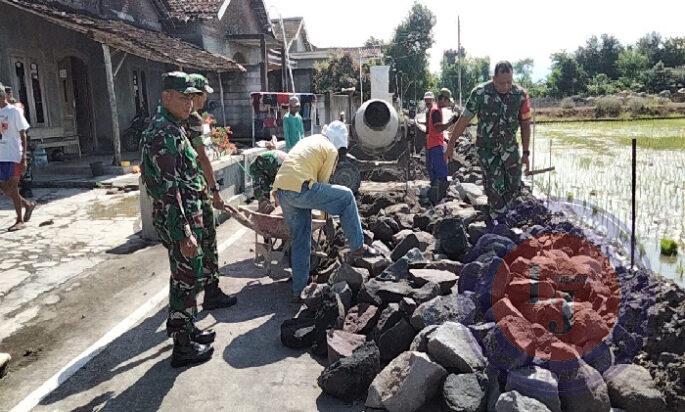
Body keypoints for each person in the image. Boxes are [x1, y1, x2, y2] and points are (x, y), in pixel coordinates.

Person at [141, 72, 216, 368]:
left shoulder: (175, 126)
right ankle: (182, 347)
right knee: (184, 280)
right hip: (178, 219)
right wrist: (184, 231)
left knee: (187, 278)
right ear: (166, 97)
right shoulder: (163, 133)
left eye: (190, 98)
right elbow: (170, 190)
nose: (189, 104)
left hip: (187, 216)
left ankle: (188, 328)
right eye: (183, 98)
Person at [272, 122, 375, 300]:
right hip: (301, 187)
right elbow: (323, 184)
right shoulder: (330, 149)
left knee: (301, 240)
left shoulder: (310, 140)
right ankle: (358, 246)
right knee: (347, 197)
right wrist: (327, 220)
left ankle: (299, 291)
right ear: (338, 141)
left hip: (282, 190)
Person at [445, 61, 532, 219]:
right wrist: (451, 143)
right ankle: (497, 222)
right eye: (501, 83)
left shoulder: (520, 95)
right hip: (488, 151)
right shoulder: (480, 93)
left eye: (509, 82)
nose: (506, 86)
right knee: (495, 186)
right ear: (493, 78)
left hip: (510, 150)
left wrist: (526, 153)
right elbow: (464, 119)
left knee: (513, 185)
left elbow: (525, 124)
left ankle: (502, 214)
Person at [186, 73, 238, 311]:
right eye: (203, 94)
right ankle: (211, 292)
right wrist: (215, 191)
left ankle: (192, 290)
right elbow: (203, 158)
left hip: (179, 192)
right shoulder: (193, 119)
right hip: (195, 190)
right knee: (207, 239)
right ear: (195, 95)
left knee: (188, 244)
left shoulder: (173, 119)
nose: (205, 98)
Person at [0, 84, 36, 231]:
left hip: (13, 155)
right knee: (6, 189)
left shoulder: (14, 111)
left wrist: (24, 157)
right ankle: (28, 205)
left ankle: (19, 220)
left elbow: (23, 135)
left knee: (13, 188)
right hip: (1, 156)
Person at [426, 88, 459, 204]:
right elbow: (438, 127)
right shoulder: (436, 111)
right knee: (442, 174)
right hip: (436, 145)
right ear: (443, 99)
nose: (447, 104)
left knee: (435, 174)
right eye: (447, 101)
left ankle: (434, 200)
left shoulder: (435, 109)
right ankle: (441, 201)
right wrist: (452, 121)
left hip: (433, 144)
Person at [5, 86, 33, 199]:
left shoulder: (16, 106)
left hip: (19, 137)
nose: (7, 95)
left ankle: (26, 188)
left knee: (24, 163)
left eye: (8, 93)